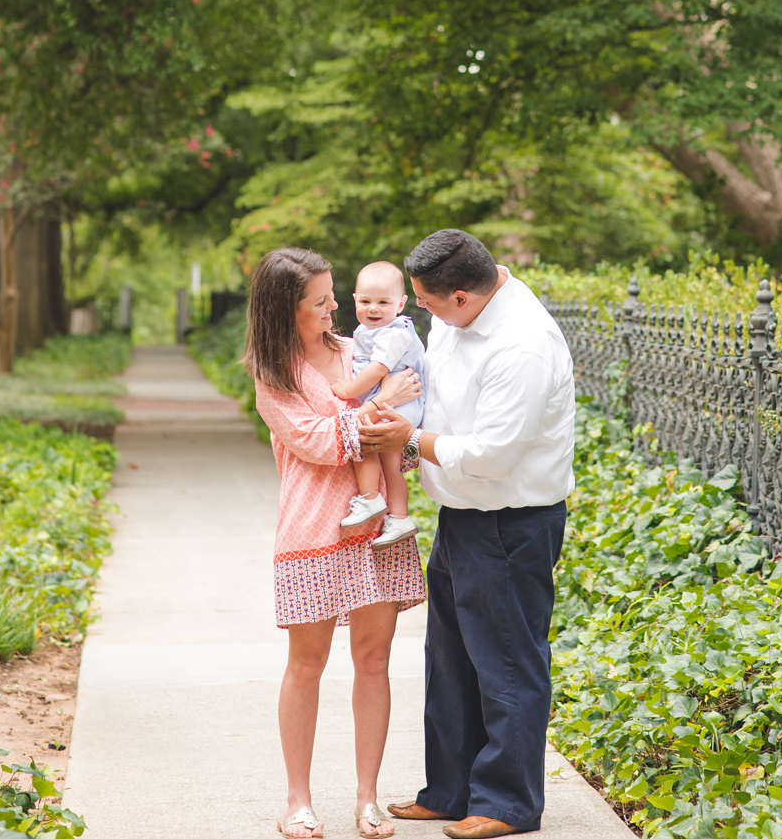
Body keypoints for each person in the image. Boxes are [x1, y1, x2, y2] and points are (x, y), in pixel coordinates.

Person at [360, 229, 576, 839]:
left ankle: (508, 805)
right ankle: (450, 790)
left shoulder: (523, 346)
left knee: (507, 661)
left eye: (426, 302)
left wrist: (404, 440)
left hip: (510, 522)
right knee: (449, 659)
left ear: (461, 295)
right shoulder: (458, 315)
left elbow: (491, 455)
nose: (419, 311)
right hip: (460, 515)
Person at [244, 246, 426, 839]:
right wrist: (383, 404)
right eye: (319, 301)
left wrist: (390, 411)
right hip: (315, 532)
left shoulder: (356, 352)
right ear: (284, 309)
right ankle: (299, 800)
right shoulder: (272, 377)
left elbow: (399, 416)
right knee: (307, 665)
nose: (332, 308)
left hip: (376, 529)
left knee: (374, 661)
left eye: (331, 296)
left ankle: (367, 799)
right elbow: (320, 442)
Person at [330, 260, 427, 547]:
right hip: (392, 404)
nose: (373, 308)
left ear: (401, 303)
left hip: (397, 404)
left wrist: (348, 389)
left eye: (383, 302)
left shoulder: (394, 333)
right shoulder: (373, 330)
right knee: (391, 462)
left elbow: (377, 370)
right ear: (355, 300)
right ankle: (399, 517)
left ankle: (370, 498)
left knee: (363, 437)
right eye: (366, 301)